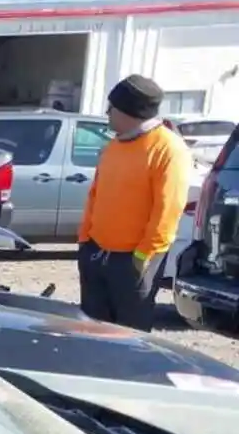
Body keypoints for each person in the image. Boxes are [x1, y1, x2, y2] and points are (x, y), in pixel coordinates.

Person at [76, 74, 192, 332]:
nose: (107, 113)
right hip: (95, 253)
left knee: (128, 335)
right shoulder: (113, 147)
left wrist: (141, 257)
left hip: (134, 260)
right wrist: (85, 241)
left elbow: (167, 210)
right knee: (90, 332)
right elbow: (95, 195)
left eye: (112, 108)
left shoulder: (168, 149)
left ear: (131, 112)